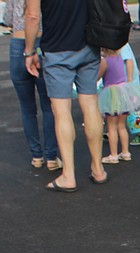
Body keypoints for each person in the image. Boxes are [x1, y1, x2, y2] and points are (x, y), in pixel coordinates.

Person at [23, 0, 107, 192]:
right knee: (90, 104)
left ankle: (68, 175)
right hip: (88, 45)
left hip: (57, 48)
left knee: (62, 112)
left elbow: (33, 16)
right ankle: (98, 169)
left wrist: (29, 52)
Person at [5, 0, 60, 171]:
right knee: (48, 104)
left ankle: (36, 155)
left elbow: (7, 19)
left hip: (17, 42)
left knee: (27, 107)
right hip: (42, 41)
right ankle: (51, 156)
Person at [97, 48, 140, 164]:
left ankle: (113, 155)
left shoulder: (105, 61)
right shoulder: (119, 58)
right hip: (123, 93)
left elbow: (97, 77)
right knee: (122, 126)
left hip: (111, 94)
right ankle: (125, 152)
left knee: (112, 127)